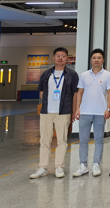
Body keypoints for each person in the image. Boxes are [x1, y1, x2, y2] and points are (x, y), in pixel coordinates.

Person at [30, 47, 79, 179]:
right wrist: (47, 104)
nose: (60, 58)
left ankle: (59, 167)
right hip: (46, 112)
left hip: (63, 112)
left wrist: (74, 110)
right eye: (58, 56)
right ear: (53, 58)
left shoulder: (72, 75)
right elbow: (41, 92)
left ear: (67, 58)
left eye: (63, 56)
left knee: (62, 140)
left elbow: (75, 94)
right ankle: (43, 167)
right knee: (44, 140)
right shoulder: (46, 74)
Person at [73, 49, 110, 177]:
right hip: (84, 112)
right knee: (83, 140)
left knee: (99, 140)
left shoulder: (108, 75)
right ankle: (83, 165)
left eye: (99, 57)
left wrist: (108, 109)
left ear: (103, 60)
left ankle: (96, 164)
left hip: (100, 113)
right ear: (91, 59)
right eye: (94, 57)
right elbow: (80, 92)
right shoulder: (84, 75)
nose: (96, 60)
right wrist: (77, 109)